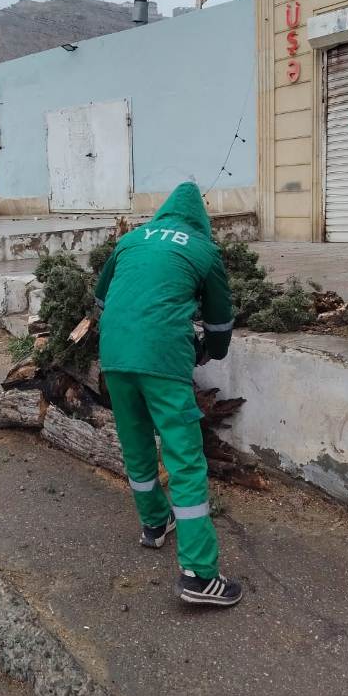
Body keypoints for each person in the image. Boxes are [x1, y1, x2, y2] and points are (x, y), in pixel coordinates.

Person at [95, 181, 241, 607]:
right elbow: (218, 323)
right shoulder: (203, 249)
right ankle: (199, 576)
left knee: (136, 444)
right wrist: (208, 353)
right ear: (201, 219)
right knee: (185, 459)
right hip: (162, 359)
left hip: (115, 355)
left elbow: (101, 301)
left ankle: (154, 525)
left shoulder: (130, 240)